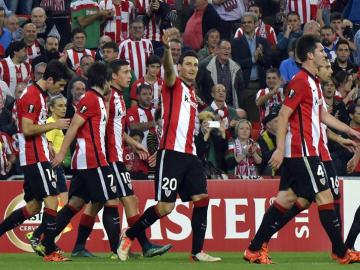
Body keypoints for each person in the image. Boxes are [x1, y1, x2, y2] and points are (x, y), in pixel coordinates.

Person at [243, 34, 360, 264]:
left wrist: (350, 132)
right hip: (302, 151)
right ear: (309, 55)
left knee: (286, 200)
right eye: (321, 52)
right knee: (324, 196)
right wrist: (278, 149)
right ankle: (340, 251)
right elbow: (285, 113)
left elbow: (322, 116)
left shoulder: (313, 82)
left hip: (308, 151)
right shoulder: (300, 81)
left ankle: (254, 248)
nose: (325, 55)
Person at [117, 28, 221, 262]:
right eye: (188, 64)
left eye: (196, 64)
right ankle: (129, 236)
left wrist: (213, 124)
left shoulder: (193, 95)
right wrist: (166, 50)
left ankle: (197, 252)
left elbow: (198, 119)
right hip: (171, 154)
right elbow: (170, 71)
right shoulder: (172, 84)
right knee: (165, 207)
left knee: (202, 200)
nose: (193, 68)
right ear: (180, 67)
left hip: (190, 155)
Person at [70, 59, 172, 258]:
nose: (129, 76)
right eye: (125, 72)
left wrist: (133, 143)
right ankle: (144, 245)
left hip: (110, 157)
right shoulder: (107, 97)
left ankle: (80, 246)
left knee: (96, 203)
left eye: (130, 71)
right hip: (109, 158)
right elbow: (99, 128)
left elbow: (114, 129)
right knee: (129, 200)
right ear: (113, 76)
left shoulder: (119, 97)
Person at [0, 60, 71, 262]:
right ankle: (50, 250)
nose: (61, 89)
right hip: (35, 157)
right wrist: (54, 125)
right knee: (51, 201)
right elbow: (28, 128)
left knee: (33, 207)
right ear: (49, 80)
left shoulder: (38, 94)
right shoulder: (33, 96)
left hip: (35, 155)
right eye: (59, 85)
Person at [50, 62, 121, 259]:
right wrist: (61, 152)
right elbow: (73, 127)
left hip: (86, 160)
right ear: (104, 80)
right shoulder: (90, 99)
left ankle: (44, 237)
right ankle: (118, 250)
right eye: (109, 79)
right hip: (93, 159)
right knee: (111, 200)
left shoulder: (96, 99)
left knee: (76, 203)